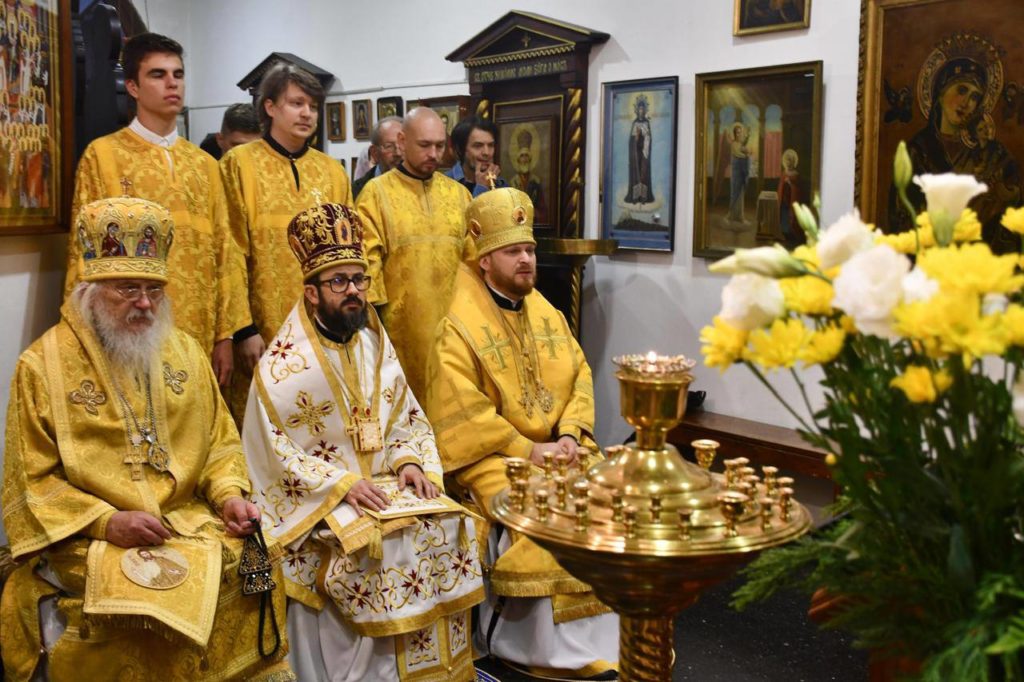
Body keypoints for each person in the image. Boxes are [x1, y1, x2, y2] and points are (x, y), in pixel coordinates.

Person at [1, 196, 291, 682]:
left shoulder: (184, 351)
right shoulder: (41, 366)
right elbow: (30, 483)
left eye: (155, 289)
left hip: (185, 518)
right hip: (90, 537)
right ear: (91, 289)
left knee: (258, 560)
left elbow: (220, 442)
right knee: (150, 601)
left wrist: (230, 495)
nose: (144, 303)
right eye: (128, 288)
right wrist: (106, 523)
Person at [242, 201, 484, 681]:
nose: (353, 291)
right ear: (311, 293)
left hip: (387, 486)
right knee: (375, 546)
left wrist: (410, 460)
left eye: (360, 279)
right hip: (321, 503)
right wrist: (341, 486)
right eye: (339, 282)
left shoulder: (373, 341)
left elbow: (403, 415)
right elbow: (274, 456)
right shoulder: (283, 369)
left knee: (449, 524)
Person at [426, 187, 619, 680]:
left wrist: (573, 435)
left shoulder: (545, 312)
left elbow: (578, 374)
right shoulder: (457, 325)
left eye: (530, 250)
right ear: (485, 259)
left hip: (562, 447)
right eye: (514, 251)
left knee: (610, 495)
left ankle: (607, 640)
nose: (527, 260)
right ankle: (537, 645)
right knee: (545, 510)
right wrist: (530, 448)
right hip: (495, 458)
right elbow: (462, 410)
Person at [63, 32, 245, 389]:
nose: (172, 83)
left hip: (200, 330)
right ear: (132, 86)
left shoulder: (205, 165)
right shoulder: (103, 156)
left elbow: (226, 251)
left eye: (177, 74)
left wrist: (226, 334)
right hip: (130, 328)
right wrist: (85, 338)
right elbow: (83, 257)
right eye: (157, 75)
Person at [220, 62, 352, 425]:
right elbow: (230, 251)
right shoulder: (238, 165)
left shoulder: (332, 172)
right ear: (270, 107)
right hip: (263, 329)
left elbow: (348, 253)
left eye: (312, 106)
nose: (307, 113)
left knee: (323, 429)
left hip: (324, 325)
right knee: (266, 428)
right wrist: (243, 328)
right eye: (296, 103)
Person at [356, 106, 474, 401]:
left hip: (455, 330)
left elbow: (473, 260)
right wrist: (374, 330)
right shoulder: (376, 194)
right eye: (424, 145)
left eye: (439, 145)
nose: (433, 154)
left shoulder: (459, 195)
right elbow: (367, 263)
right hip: (401, 335)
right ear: (401, 140)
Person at [890, 44, 1022, 253]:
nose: (967, 103)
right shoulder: (918, 151)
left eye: (975, 97)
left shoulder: (992, 154)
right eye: (962, 90)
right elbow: (902, 221)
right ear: (940, 91)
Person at [446, 116, 507, 197]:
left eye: (491, 145)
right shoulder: (445, 183)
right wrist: (482, 188)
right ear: (460, 149)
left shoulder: (500, 183)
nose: (486, 152)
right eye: (478, 146)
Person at [352, 115, 403, 199]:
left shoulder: (421, 186)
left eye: (402, 144)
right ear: (374, 153)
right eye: (389, 146)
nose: (398, 153)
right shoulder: (358, 192)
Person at [507, 124, 548, 223]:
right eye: (522, 156)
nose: (524, 159)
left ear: (530, 159)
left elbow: (543, 210)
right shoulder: (512, 182)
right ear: (518, 159)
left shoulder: (536, 182)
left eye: (526, 156)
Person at [624, 94, 654, 204]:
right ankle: (635, 197)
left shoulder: (647, 123)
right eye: (639, 109)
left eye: (643, 109)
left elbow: (649, 138)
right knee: (636, 173)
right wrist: (636, 138)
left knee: (644, 173)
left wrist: (645, 136)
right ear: (637, 110)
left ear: (645, 110)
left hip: (644, 153)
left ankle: (644, 197)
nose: (641, 111)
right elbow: (631, 142)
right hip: (636, 154)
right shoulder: (635, 123)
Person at [728, 122, 751, 222]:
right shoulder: (734, 144)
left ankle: (740, 217)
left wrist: (748, 135)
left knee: (741, 196)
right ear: (734, 134)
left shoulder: (740, 143)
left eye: (741, 132)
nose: (740, 134)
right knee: (735, 194)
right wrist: (746, 155)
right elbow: (740, 154)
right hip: (736, 174)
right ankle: (731, 216)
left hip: (741, 174)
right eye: (738, 133)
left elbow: (744, 143)